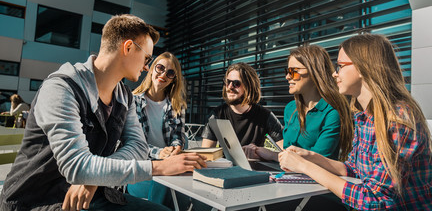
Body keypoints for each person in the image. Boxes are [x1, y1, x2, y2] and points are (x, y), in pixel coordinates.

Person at [0, 14, 206, 211]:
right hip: (36, 202)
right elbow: (77, 167)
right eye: (147, 57)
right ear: (128, 47)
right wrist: (159, 167)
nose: (146, 67)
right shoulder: (61, 88)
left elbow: (139, 147)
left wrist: (93, 179)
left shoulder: (125, 97)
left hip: (95, 196)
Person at [279, 34, 432, 210]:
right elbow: (354, 169)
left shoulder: (397, 119)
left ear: (362, 67)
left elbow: (375, 201)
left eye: (341, 66)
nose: (335, 74)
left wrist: (305, 166)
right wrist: (312, 157)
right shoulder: (363, 117)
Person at [244, 45, 352, 163]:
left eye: (293, 72)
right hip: (286, 176)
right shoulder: (291, 109)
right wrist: (260, 153)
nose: (287, 77)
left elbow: (318, 159)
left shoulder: (332, 113)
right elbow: (287, 153)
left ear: (314, 72)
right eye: (287, 71)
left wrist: (272, 155)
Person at [127, 51, 188, 206]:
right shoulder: (132, 102)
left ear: (174, 78)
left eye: (170, 73)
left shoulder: (177, 105)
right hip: (142, 170)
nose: (163, 74)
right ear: (152, 68)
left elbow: (178, 136)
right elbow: (133, 144)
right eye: (160, 68)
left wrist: (175, 147)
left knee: (172, 185)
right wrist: (159, 153)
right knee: (168, 188)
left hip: (170, 167)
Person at [201, 62, 283, 151]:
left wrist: (262, 152)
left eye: (236, 83)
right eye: (227, 82)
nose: (229, 87)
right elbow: (206, 154)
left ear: (249, 86)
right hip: (226, 165)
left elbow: (287, 152)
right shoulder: (216, 115)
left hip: (254, 164)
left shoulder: (265, 116)